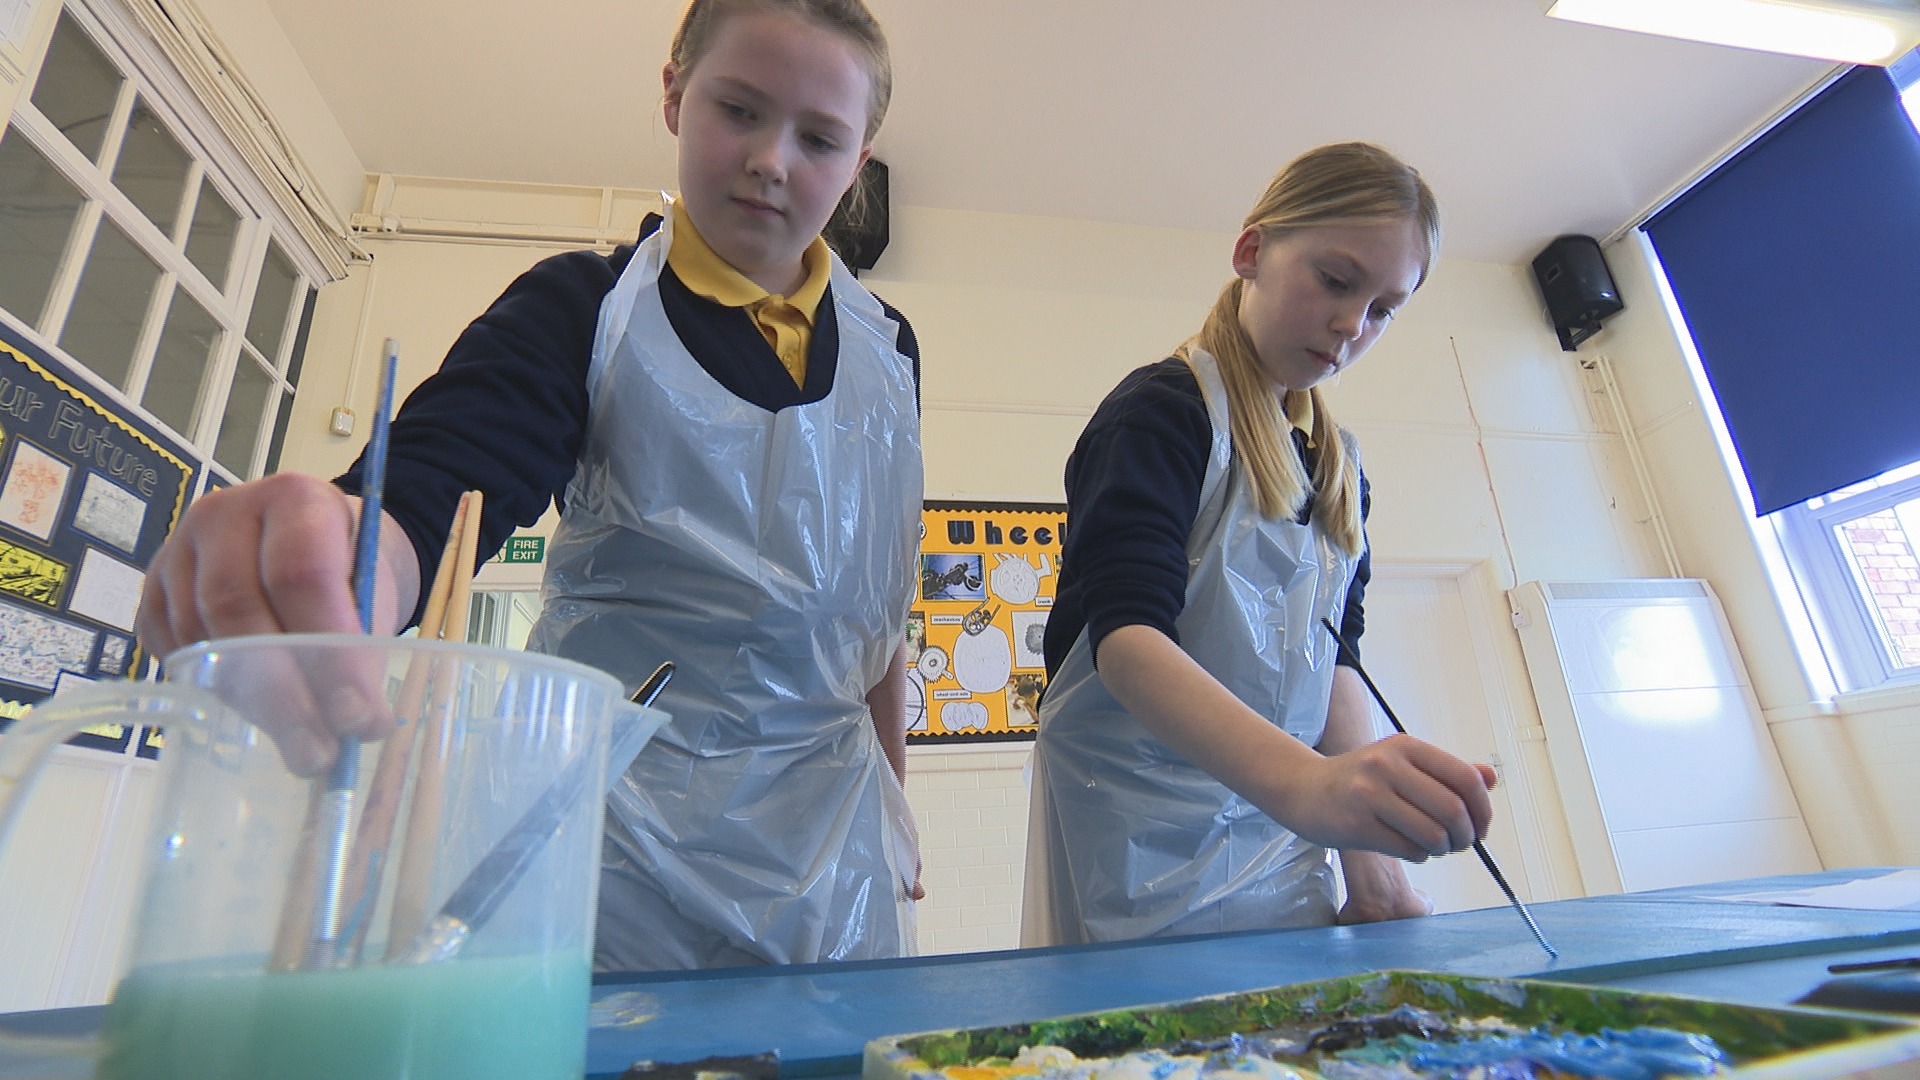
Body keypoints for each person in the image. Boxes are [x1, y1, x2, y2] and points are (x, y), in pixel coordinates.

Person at [136, 0, 924, 972]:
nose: (772, 159)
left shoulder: (891, 349)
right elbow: (443, 480)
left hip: (836, 854)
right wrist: (347, 555)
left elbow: (874, 608)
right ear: (674, 95)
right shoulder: (585, 307)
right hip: (611, 848)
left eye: (819, 139)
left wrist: (897, 796)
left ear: (859, 160)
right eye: (739, 110)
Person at [1021, 143, 1498, 947]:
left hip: (1285, 848)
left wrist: (1374, 869)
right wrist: (1313, 788)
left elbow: (1335, 661)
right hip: (1135, 854)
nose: (1353, 325)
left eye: (1384, 309)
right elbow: (1128, 643)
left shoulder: (1340, 470)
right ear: (1251, 252)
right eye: (1336, 280)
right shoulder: (1162, 415)